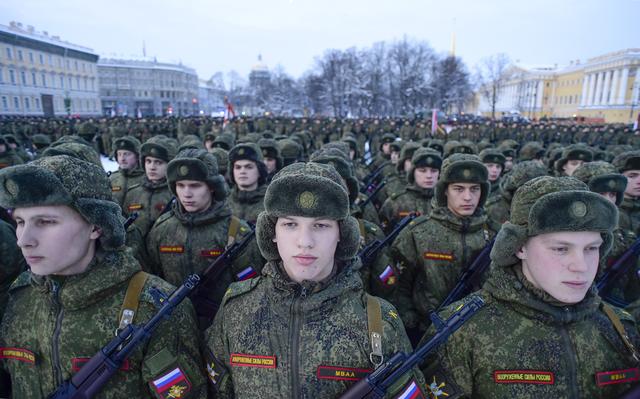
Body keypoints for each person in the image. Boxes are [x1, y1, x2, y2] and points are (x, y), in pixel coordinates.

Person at [204, 162, 426, 398]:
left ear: (342, 234)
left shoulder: (378, 322)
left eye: (320, 225)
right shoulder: (236, 310)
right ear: (272, 234)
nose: (305, 241)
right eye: (290, 224)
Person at [0, 155, 206, 398]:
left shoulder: (154, 307)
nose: (23, 240)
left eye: (45, 222)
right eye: (21, 222)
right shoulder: (18, 296)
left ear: (96, 226)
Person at [421, 176, 640, 398]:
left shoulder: (621, 328)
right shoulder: (460, 332)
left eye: (592, 249)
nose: (581, 266)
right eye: (560, 249)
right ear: (519, 247)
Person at [146, 149, 263, 314]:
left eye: (195, 185)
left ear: (212, 187)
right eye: (180, 185)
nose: (187, 193)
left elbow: (251, 292)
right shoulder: (162, 229)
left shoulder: (236, 233)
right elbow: (152, 278)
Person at [391, 153, 494, 340]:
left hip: (482, 337)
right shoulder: (418, 233)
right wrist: (411, 325)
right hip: (427, 333)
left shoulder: (494, 234)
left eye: (475, 189)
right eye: (458, 189)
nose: (467, 197)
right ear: (444, 190)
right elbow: (399, 288)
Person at [123, 135, 177, 237]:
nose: (152, 167)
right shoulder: (133, 193)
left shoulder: (177, 194)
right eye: (148, 161)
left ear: (170, 165)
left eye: (158, 162)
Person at [227, 143, 268, 224]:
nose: (242, 171)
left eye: (249, 167)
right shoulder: (224, 202)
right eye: (238, 167)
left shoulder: (270, 202)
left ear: (260, 171)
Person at [109, 135, 145, 207]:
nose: (122, 158)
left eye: (127, 154)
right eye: (119, 154)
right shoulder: (112, 178)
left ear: (137, 156)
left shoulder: (146, 180)